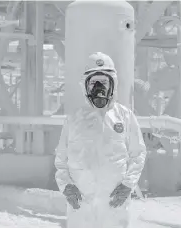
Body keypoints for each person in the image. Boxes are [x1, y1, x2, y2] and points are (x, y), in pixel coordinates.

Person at [55, 52, 147, 228]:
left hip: (114, 204)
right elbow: (61, 159)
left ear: (112, 85)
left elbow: (138, 154)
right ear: (86, 87)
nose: (98, 88)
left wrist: (128, 185)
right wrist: (66, 186)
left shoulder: (125, 117)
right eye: (93, 83)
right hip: (81, 206)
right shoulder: (74, 119)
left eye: (103, 83)